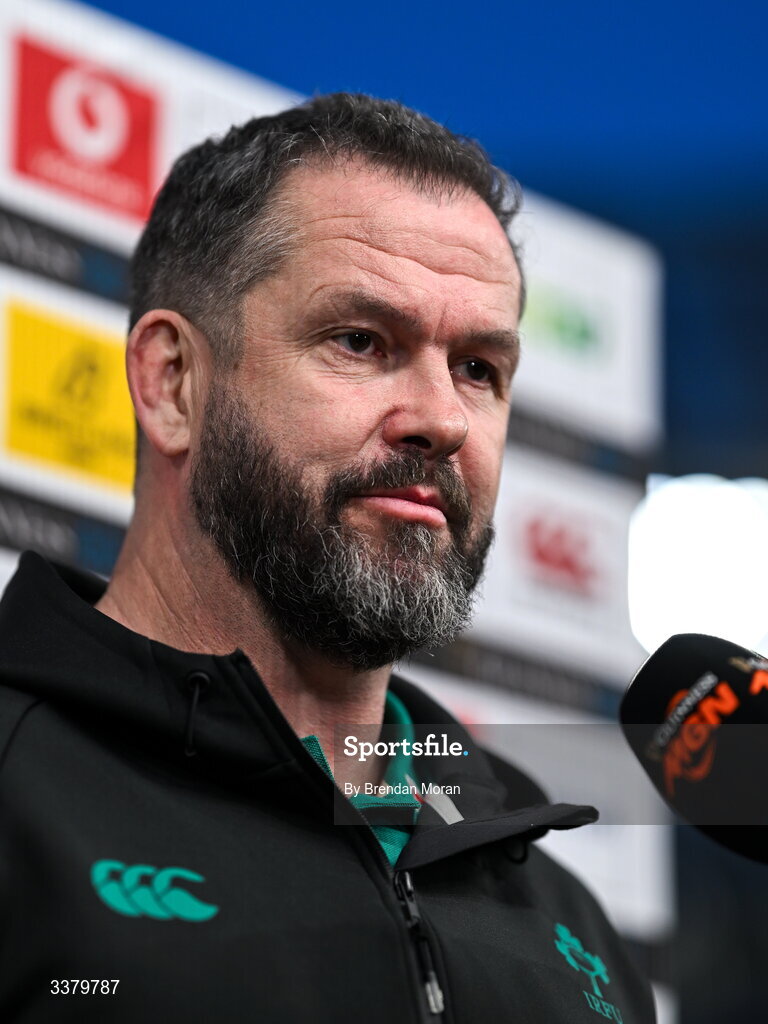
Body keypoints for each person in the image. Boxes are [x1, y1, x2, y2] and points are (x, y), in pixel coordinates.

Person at [0, 93, 655, 1023]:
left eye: (479, 368)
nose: (441, 418)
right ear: (173, 382)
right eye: (361, 340)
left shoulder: (566, 921)